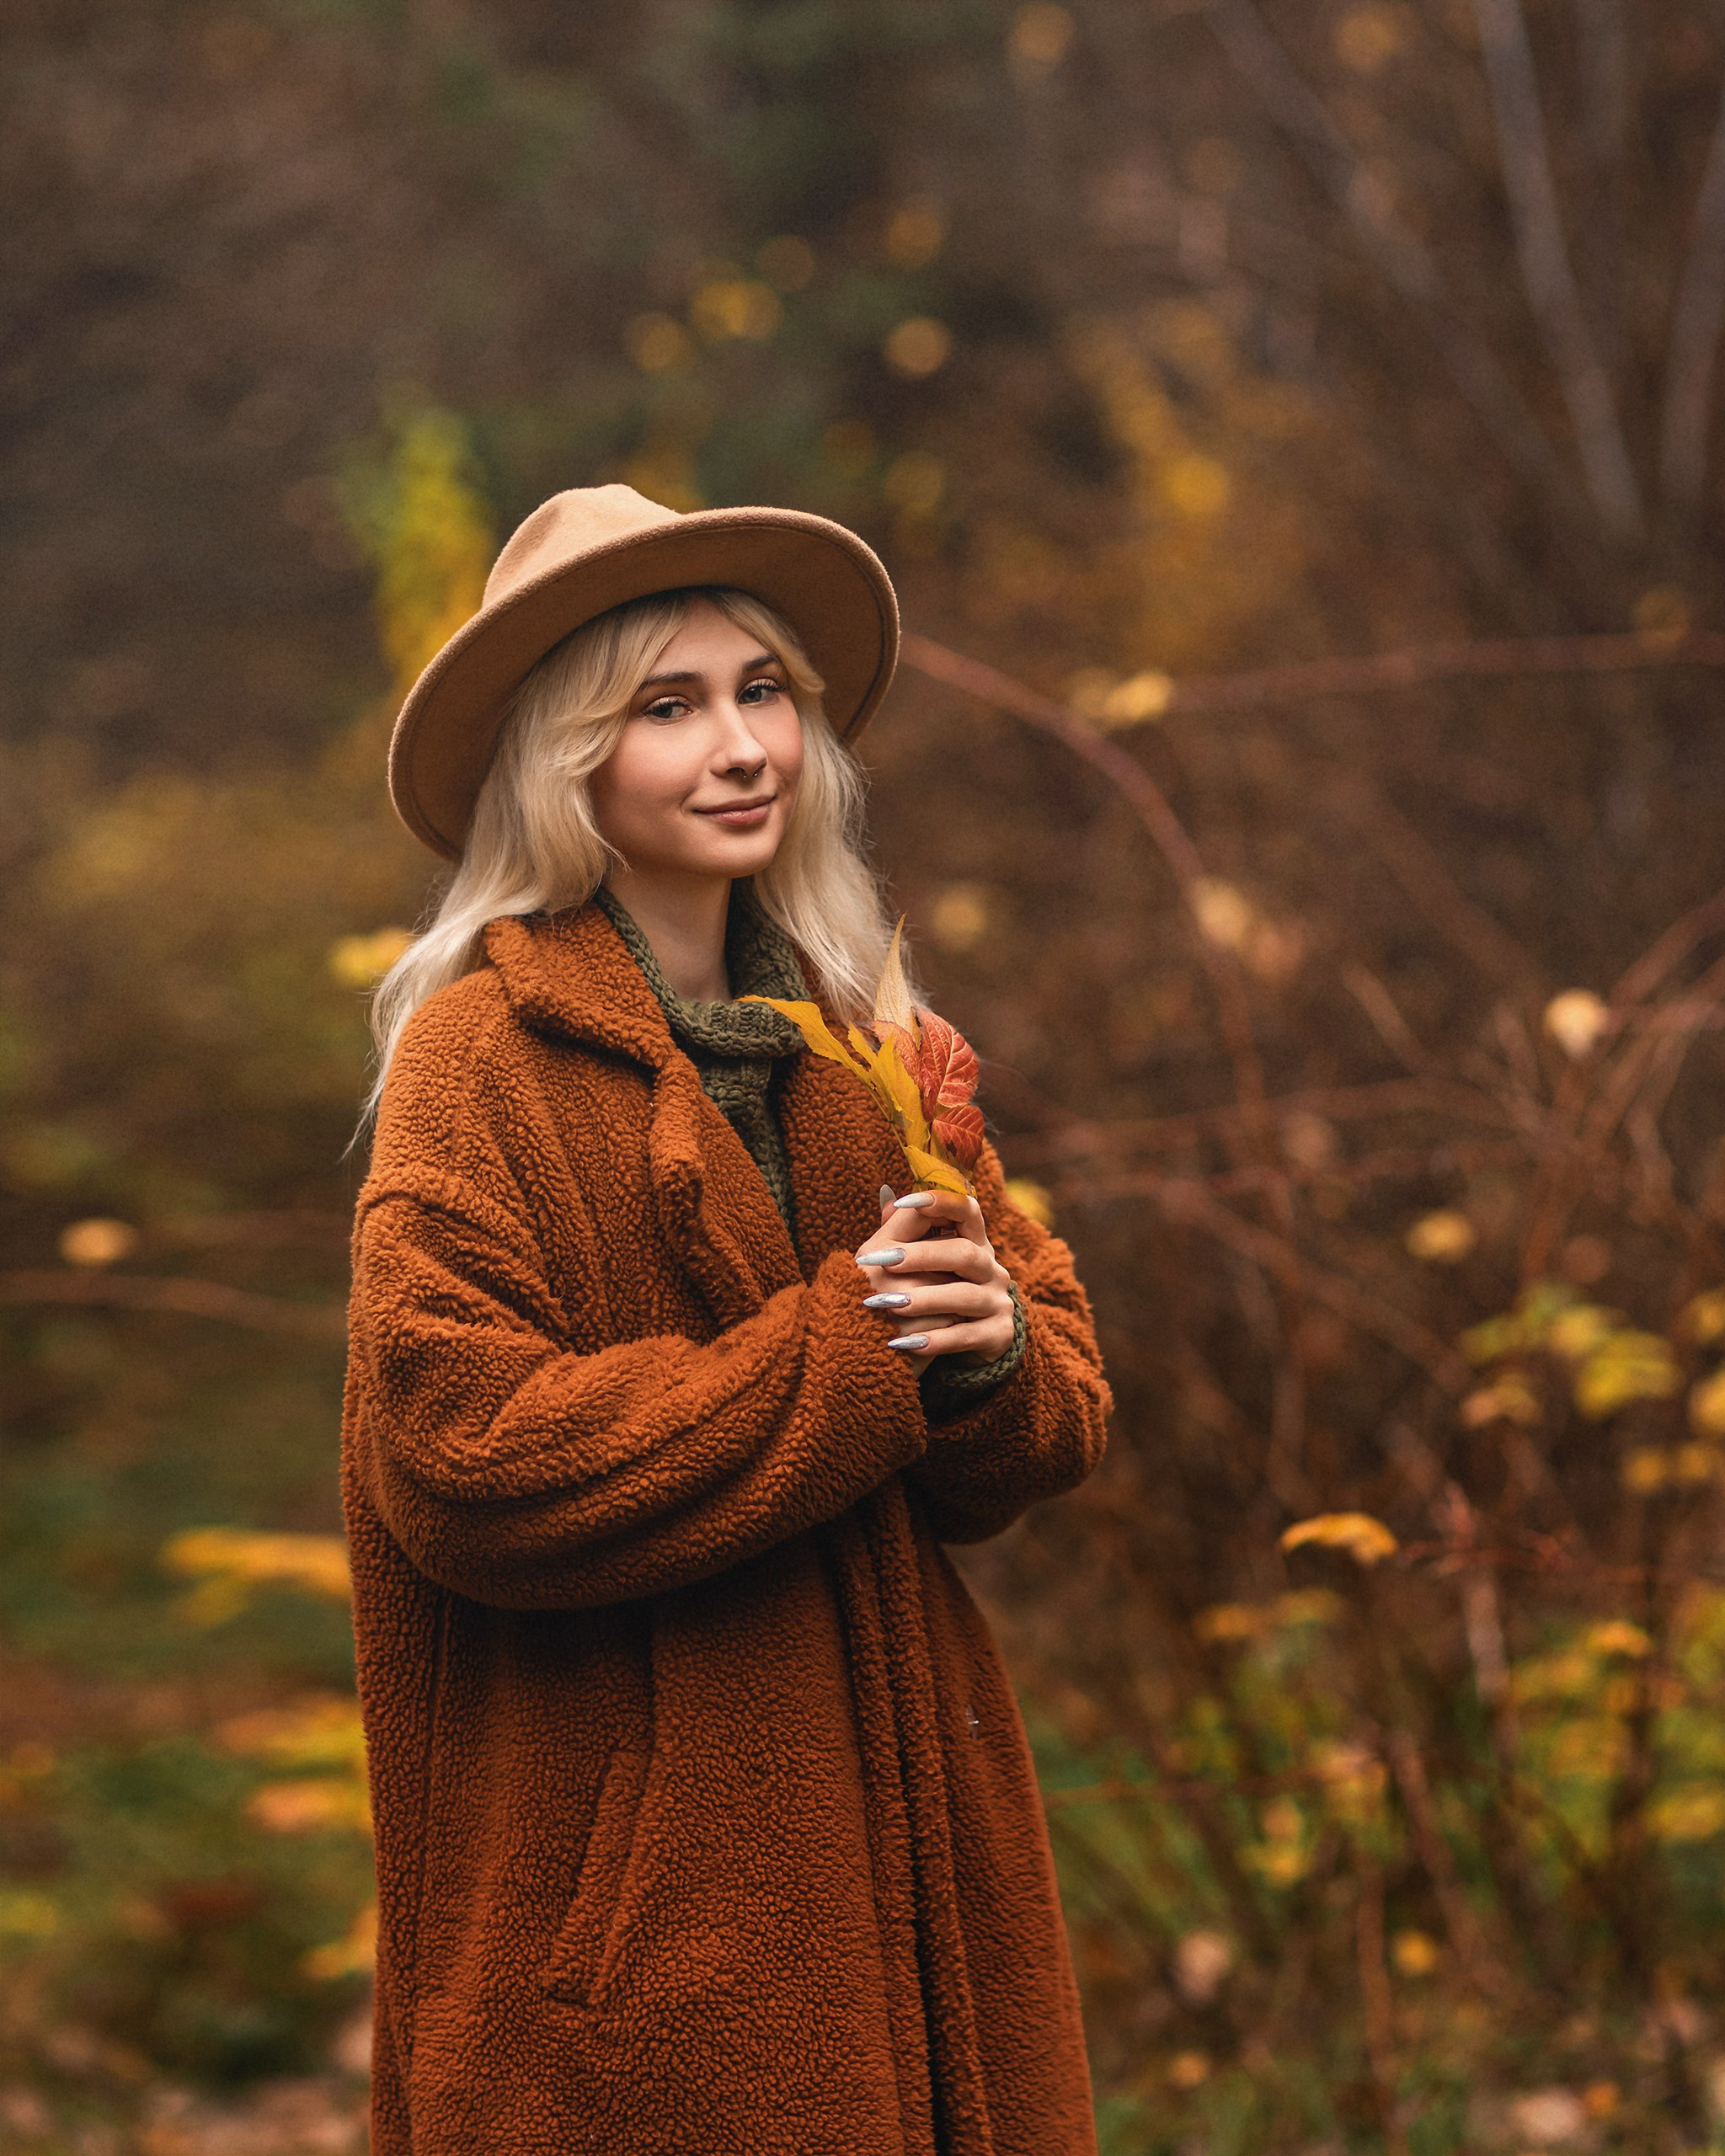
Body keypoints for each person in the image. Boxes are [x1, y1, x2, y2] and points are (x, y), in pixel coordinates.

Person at [343, 483, 1112, 2156]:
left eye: (760, 689)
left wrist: (984, 1352)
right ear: (567, 760)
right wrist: (850, 1350)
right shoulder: (477, 1059)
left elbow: (1047, 1413)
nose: (741, 743)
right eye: (667, 707)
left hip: (914, 1862)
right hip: (644, 1912)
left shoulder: (873, 1041)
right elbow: (462, 1453)